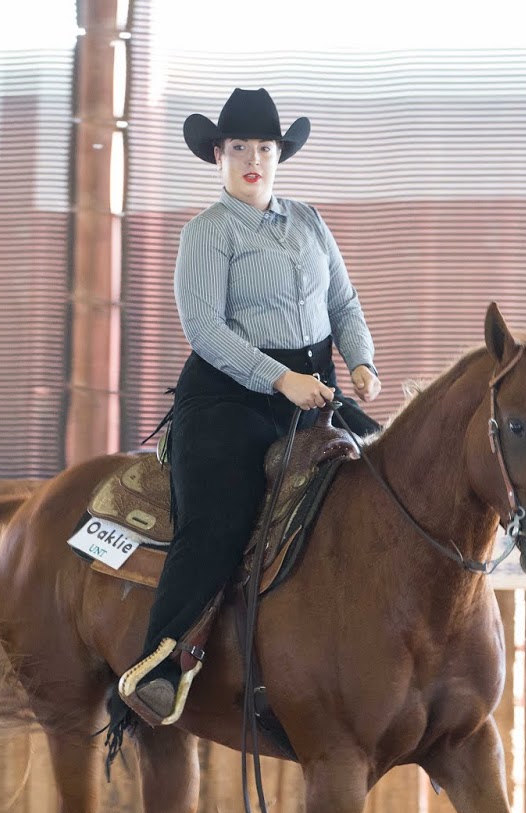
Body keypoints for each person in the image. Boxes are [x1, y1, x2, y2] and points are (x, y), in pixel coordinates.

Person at [113, 87, 382, 727]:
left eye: (265, 147)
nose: (253, 159)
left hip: (311, 396)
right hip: (228, 398)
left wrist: (362, 360)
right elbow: (205, 329)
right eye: (240, 148)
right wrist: (279, 377)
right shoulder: (206, 233)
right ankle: (160, 663)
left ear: (279, 155)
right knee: (219, 517)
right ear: (218, 155)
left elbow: (342, 303)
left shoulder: (310, 221)